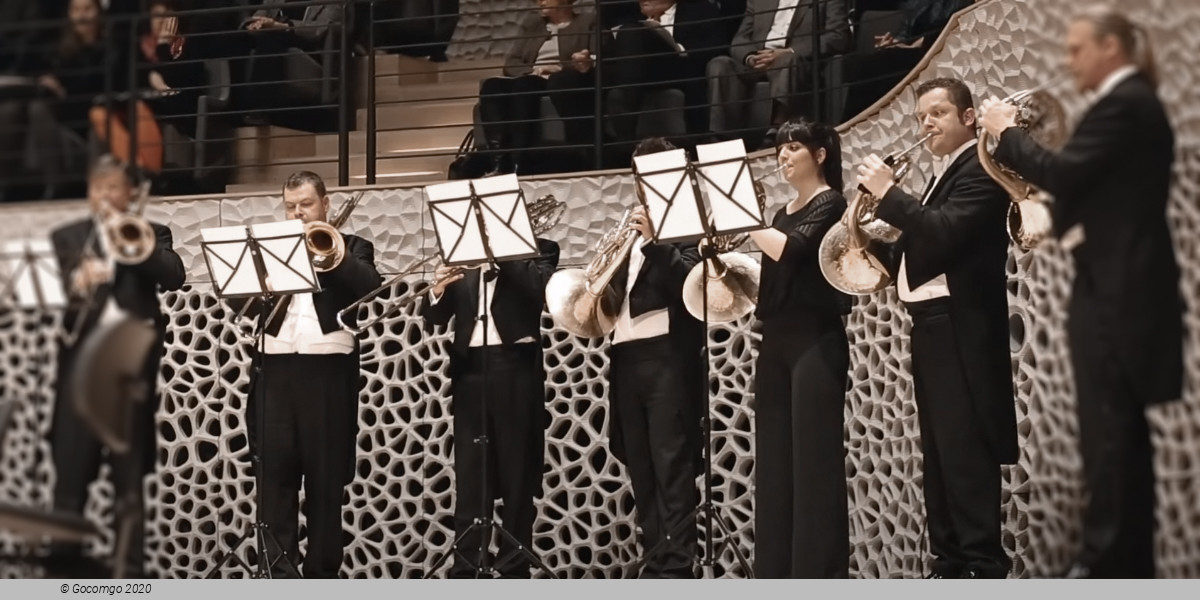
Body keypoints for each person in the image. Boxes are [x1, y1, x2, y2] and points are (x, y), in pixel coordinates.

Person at [979, 6, 1184, 579]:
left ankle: (1107, 564)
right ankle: (1121, 563)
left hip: (1121, 297)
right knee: (1112, 434)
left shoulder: (1126, 105)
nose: (1069, 62)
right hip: (1116, 289)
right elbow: (1090, 190)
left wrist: (1006, 132)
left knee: (1111, 434)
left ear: (1110, 48)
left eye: (1077, 50)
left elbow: (1066, 174)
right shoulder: (1127, 105)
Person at [859, 77, 1016, 578]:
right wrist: (866, 240)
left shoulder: (981, 168)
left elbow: (946, 232)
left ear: (969, 118)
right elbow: (923, 244)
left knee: (964, 449)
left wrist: (889, 195)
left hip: (959, 327)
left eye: (938, 113)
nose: (926, 124)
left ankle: (982, 566)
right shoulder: (940, 175)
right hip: (930, 325)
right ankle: (949, 562)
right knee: (940, 452)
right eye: (921, 117)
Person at [234, 171, 381, 578]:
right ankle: (279, 577)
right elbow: (240, 304)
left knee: (325, 485)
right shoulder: (266, 250)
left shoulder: (354, 246)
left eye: (306, 205)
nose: (297, 213)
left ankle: (321, 578)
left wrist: (330, 256)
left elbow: (369, 287)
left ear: (325, 204)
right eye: (290, 207)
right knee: (274, 483)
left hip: (326, 374)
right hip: (275, 370)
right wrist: (260, 285)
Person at [48, 154, 186, 577]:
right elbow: (54, 301)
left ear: (130, 193)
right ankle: (62, 579)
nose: (104, 196)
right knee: (69, 486)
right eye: (98, 188)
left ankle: (130, 577)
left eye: (113, 188)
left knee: (128, 487)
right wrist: (77, 285)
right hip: (79, 379)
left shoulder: (151, 233)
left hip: (129, 379)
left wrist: (127, 245)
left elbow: (174, 276)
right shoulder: (68, 236)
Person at [420, 221, 560, 578]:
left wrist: (505, 249)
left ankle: (514, 566)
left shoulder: (541, 249)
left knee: (517, 472)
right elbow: (435, 317)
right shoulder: (463, 256)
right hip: (470, 369)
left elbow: (541, 291)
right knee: (471, 475)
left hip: (515, 365)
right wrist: (437, 289)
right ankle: (466, 566)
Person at [744, 118, 849, 577]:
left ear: (819, 155)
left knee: (813, 463)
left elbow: (794, 248)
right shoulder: (781, 212)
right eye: (779, 149)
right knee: (775, 464)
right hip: (777, 340)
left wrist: (744, 217)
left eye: (792, 148)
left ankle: (817, 574)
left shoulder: (831, 202)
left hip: (815, 339)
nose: (782, 156)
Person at [603, 137, 704, 578]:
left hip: (666, 357)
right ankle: (655, 558)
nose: (643, 181)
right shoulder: (631, 228)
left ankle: (679, 565)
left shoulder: (688, 225)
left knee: (671, 463)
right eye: (638, 172)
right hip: (625, 356)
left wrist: (655, 242)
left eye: (652, 171)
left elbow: (692, 284)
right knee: (640, 464)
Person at [706, 0, 850, 146]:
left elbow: (838, 36)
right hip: (758, 60)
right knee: (720, 64)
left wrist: (790, 51)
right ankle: (722, 138)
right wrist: (750, 57)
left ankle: (777, 132)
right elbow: (740, 38)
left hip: (795, 61)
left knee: (787, 60)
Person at [476, 0, 596, 175]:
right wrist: (533, 71)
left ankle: (519, 162)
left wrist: (561, 68)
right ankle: (499, 163)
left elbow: (592, 59)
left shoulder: (587, 22)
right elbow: (512, 62)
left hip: (557, 80)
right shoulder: (533, 24)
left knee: (525, 86)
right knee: (491, 86)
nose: (540, 1)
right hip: (529, 75)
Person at [603, 0, 726, 145]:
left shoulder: (699, 9)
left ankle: (625, 139)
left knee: (630, 35)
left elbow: (716, 44)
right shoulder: (631, 17)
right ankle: (623, 138)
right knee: (629, 34)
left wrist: (679, 48)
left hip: (680, 67)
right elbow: (613, 54)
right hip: (640, 71)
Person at [839, 0, 975, 122]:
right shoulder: (916, 3)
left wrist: (915, 45)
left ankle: (850, 123)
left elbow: (950, 25)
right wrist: (894, 43)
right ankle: (854, 124)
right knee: (867, 64)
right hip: (913, 52)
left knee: (873, 66)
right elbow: (905, 32)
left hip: (938, 51)